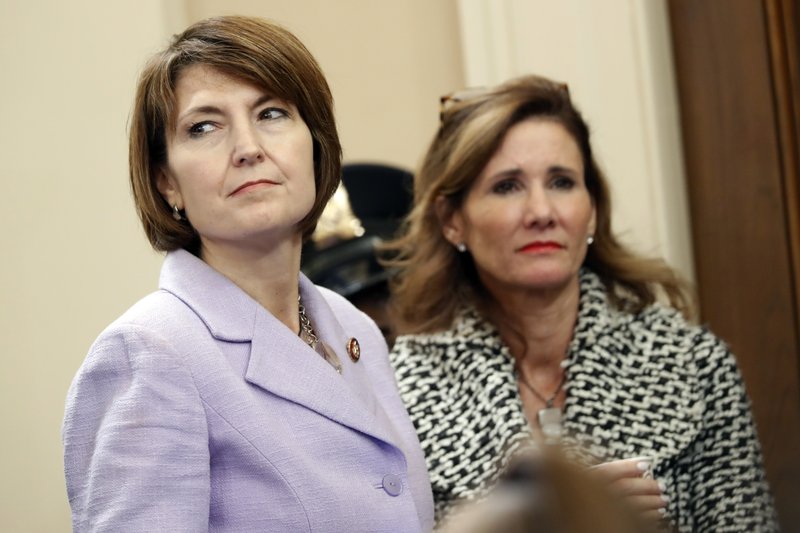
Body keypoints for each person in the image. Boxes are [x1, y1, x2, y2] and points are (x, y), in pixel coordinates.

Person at [62, 16, 433, 532]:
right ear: (167, 181)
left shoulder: (356, 329)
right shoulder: (149, 352)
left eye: (272, 113)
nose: (248, 147)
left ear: (315, 144)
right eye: (204, 127)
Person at [386, 75, 777, 531]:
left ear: (591, 209)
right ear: (453, 221)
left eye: (562, 182)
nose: (542, 212)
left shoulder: (694, 364)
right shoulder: (400, 390)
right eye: (507, 186)